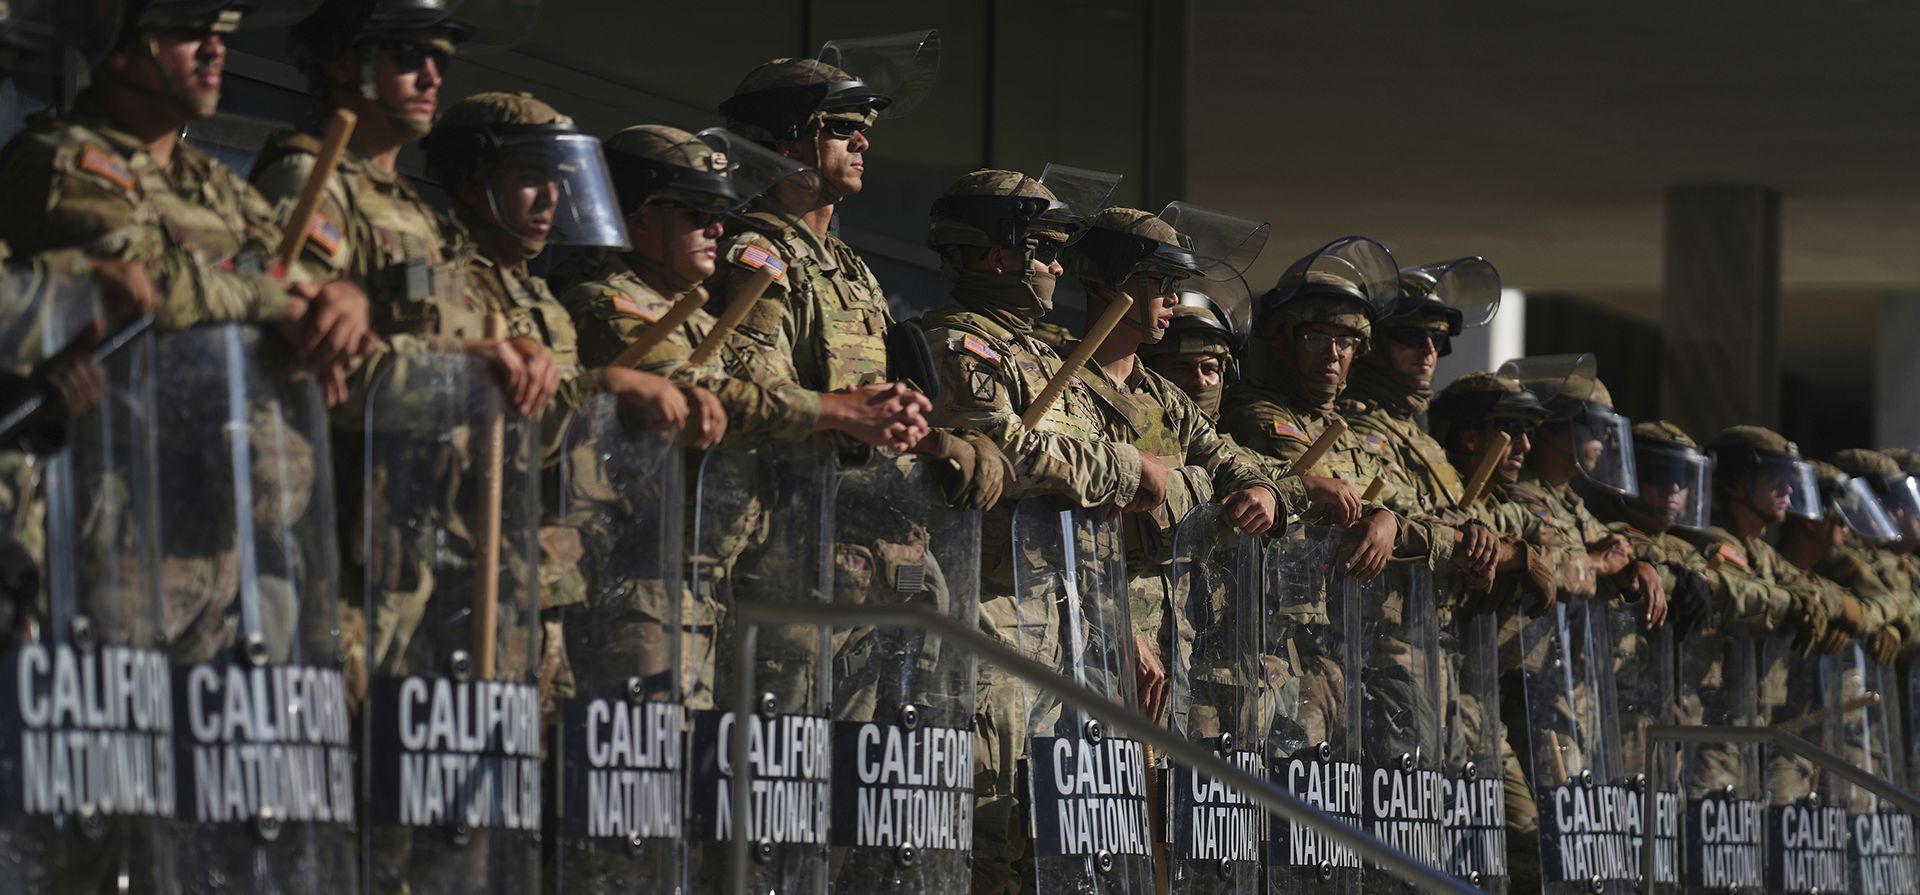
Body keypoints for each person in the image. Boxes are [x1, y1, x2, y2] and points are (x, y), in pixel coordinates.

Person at [916, 168, 1157, 890]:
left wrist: (1119, 629)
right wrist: (1119, 464)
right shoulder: (959, 344)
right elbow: (1010, 452)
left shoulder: (1047, 356)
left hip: (1064, 632)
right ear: (995, 254)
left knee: (1055, 847)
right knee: (982, 836)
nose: (1057, 265)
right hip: (987, 623)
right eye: (1044, 248)